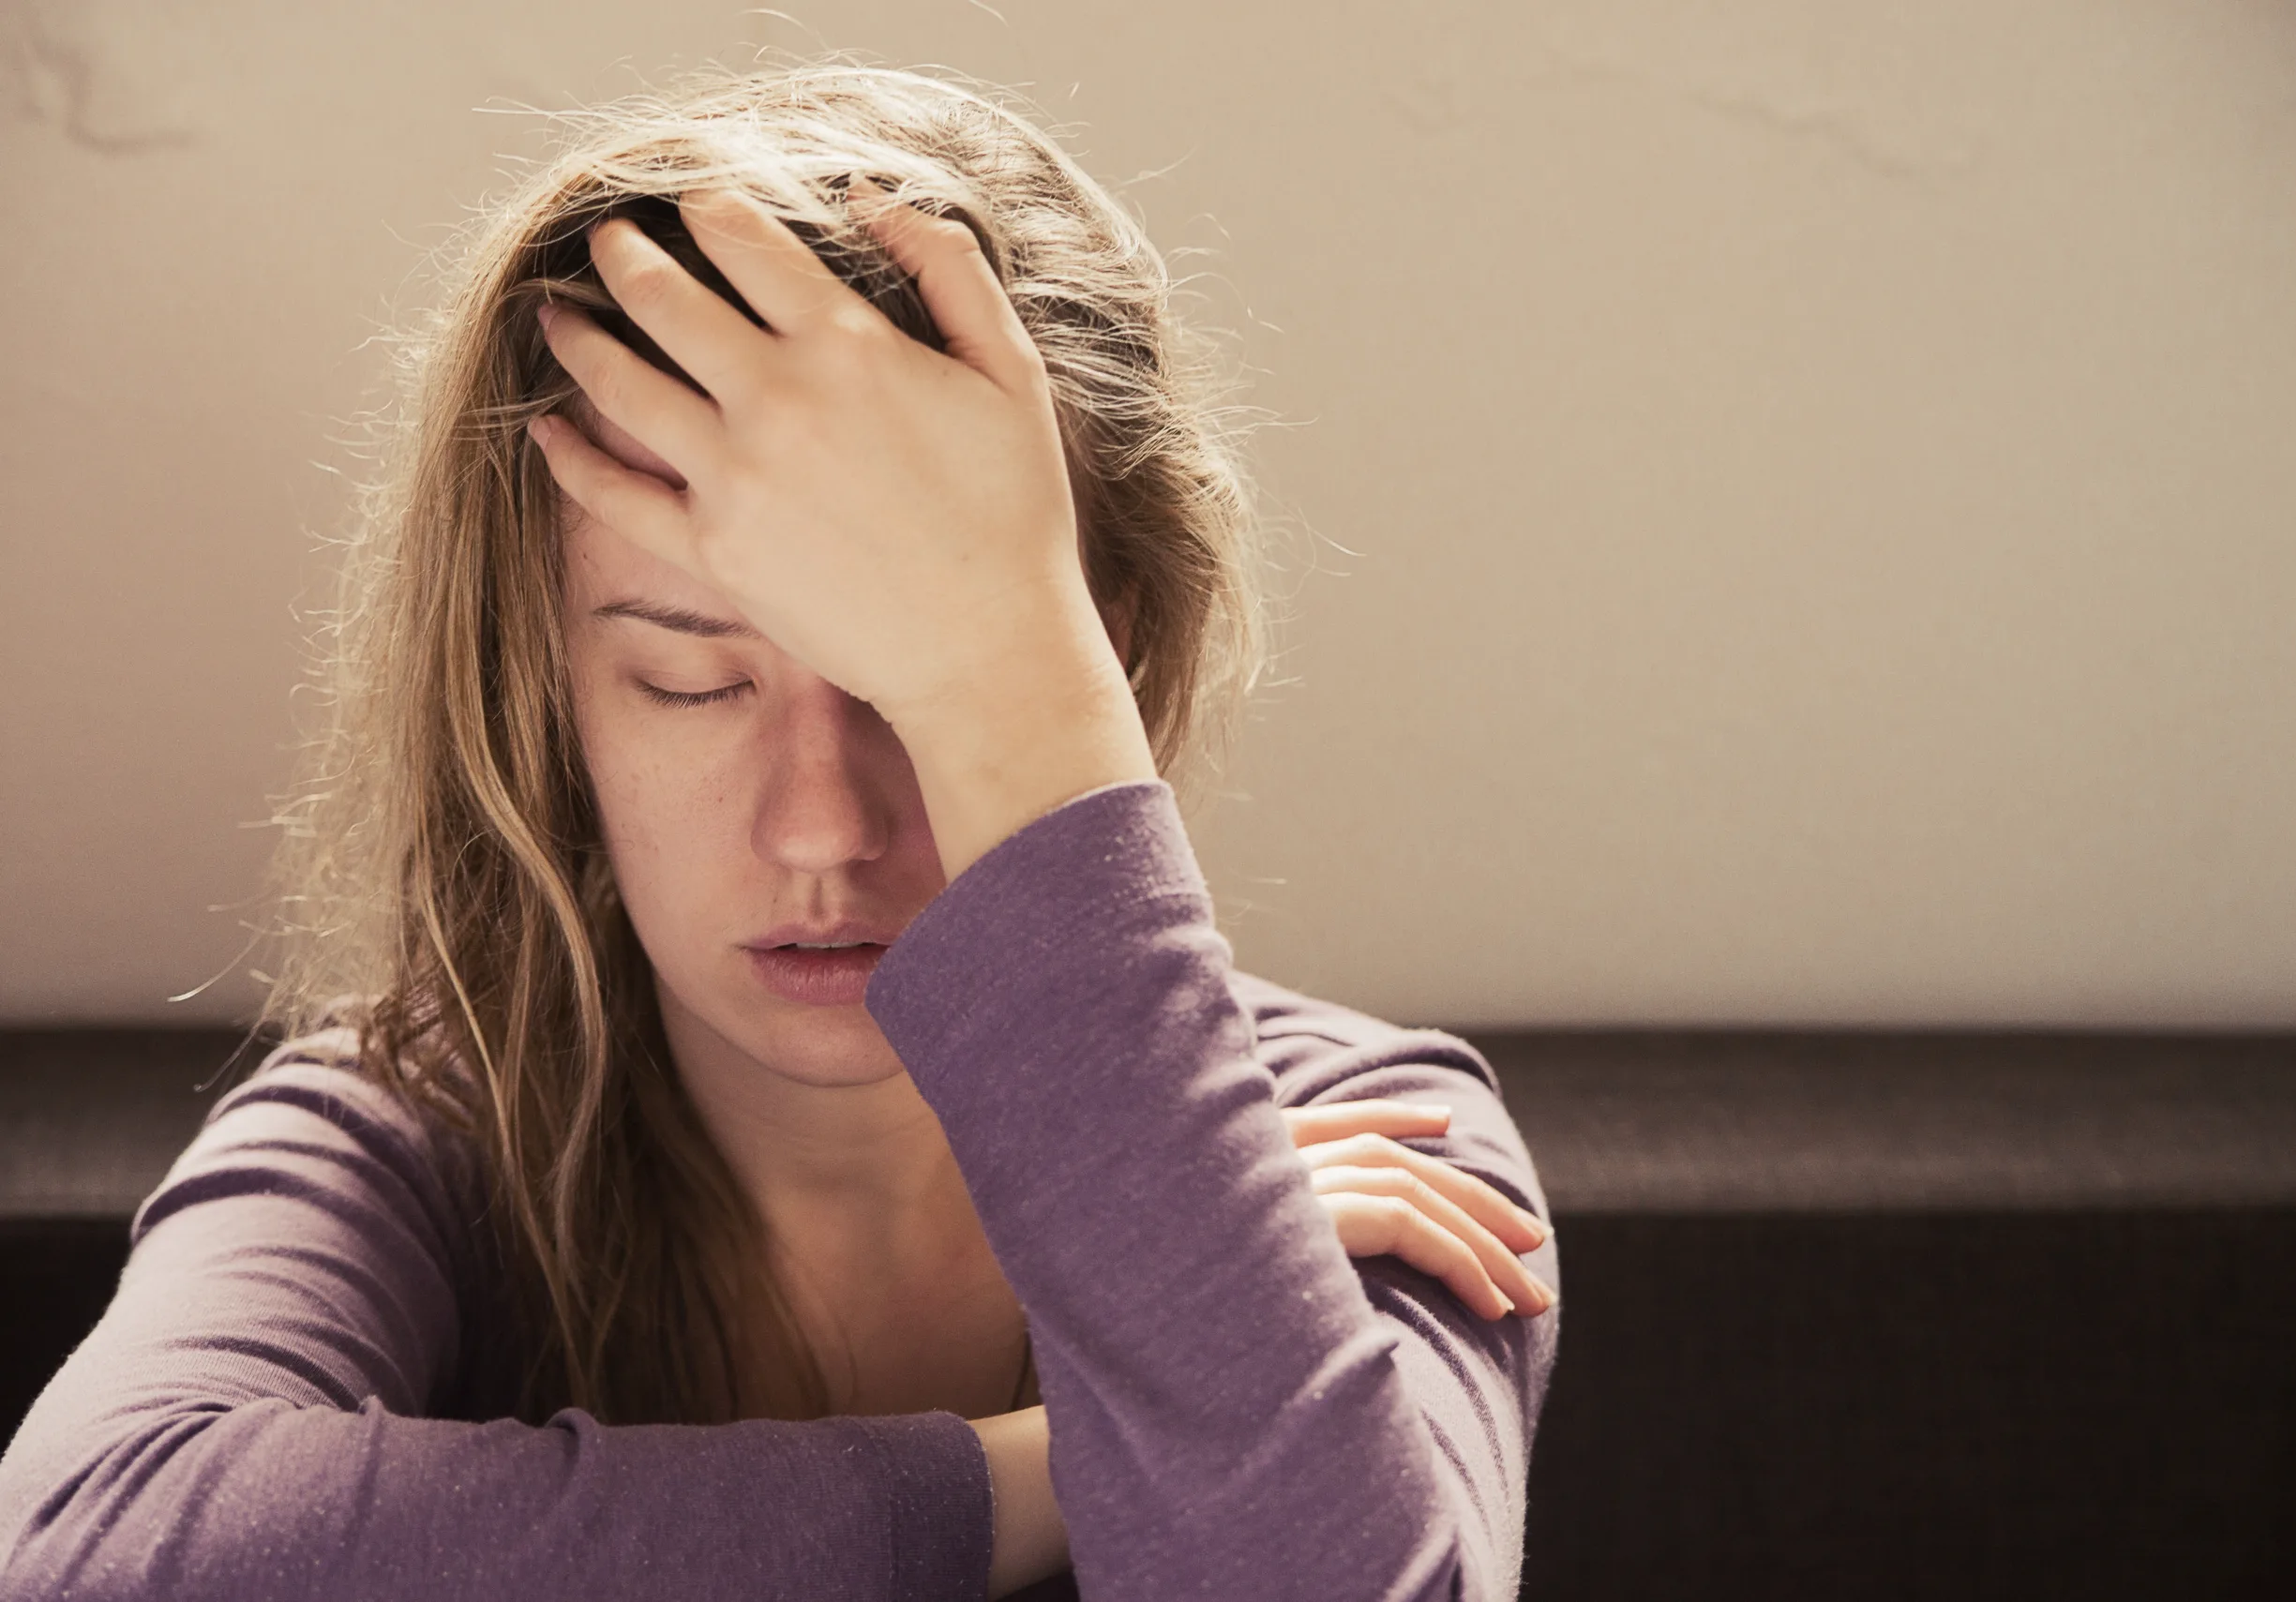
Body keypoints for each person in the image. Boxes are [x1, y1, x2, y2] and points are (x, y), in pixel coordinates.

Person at [0, 61, 1557, 1600]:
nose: (821, 827)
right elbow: (92, 1553)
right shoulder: (415, 1134)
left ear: (1111, 660)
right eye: (688, 679)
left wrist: (1016, 683)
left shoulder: (1369, 1139)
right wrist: (1055, 1456)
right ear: (552, 694)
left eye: (911, 685)